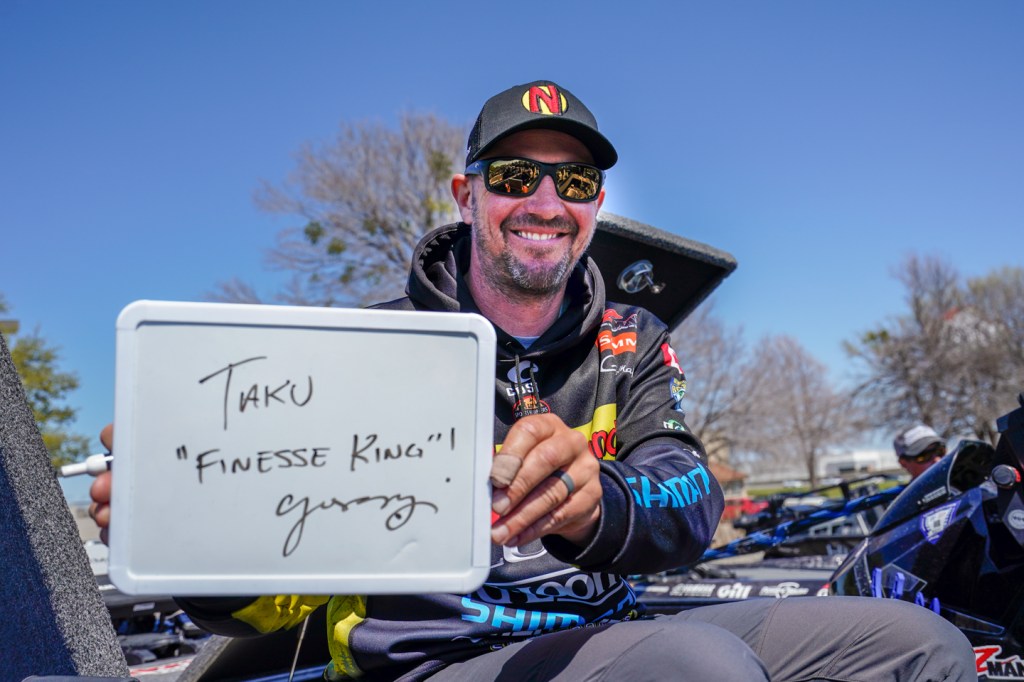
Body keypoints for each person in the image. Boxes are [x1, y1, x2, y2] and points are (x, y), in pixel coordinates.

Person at [90, 80, 976, 681]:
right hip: (434, 661)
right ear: (466, 195)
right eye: (516, 177)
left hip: (615, 635)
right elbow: (272, 600)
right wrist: (189, 527)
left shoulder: (632, 338)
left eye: (575, 181)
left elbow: (691, 496)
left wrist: (596, 505)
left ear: (595, 205)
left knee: (918, 644)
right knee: (696, 669)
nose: (547, 204)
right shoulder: (365, 347)